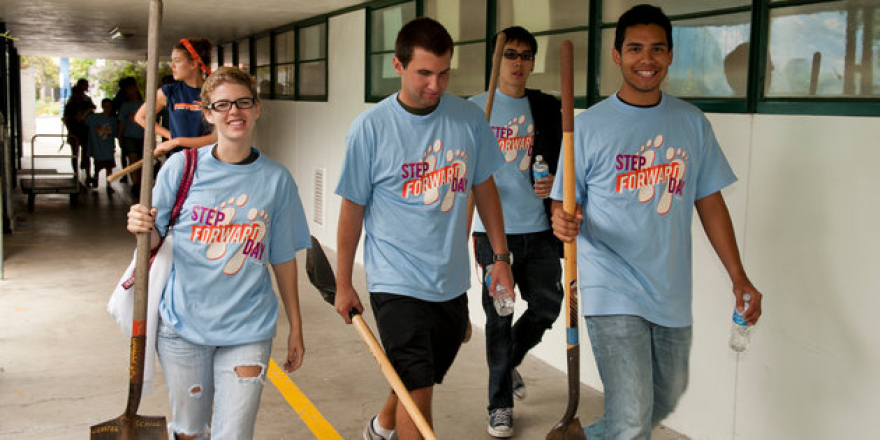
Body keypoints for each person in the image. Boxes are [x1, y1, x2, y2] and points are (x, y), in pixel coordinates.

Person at [550, 5, 764, 439]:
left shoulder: (690, 123)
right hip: (610, 285)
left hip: (668, 288)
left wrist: (738, 276)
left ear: (670, 56)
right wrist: (563, 222)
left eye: (656, 49)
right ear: (616, 55)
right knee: (633, 419)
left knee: (651, 406)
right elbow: (563, 205)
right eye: (634, 49)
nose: (645, 59)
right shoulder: (588, 126)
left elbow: (709, 201)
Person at [334, 17, 514, 440]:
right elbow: (351, 211)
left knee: (419, 378)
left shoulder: (468, 119)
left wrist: (500, 259)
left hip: (449, 281)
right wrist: (343, 282)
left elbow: (485, 188)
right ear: (398, 66)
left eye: (444, 72)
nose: (435, 84)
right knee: (419, 390)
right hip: (395, 281)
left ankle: (380, 428)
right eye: (424, 73)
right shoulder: (371, 128)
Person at [126, 66, 309, 439]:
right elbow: (155, 241)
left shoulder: (277, 180)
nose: (233, 112)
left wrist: (296, 326)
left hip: (248, 327)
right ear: (207, 113)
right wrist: (140, 225)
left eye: (243, 102)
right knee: (190, 431)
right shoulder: (182, 168)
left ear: (257, 108)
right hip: (183, 327)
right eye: (222, 104)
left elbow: (283, 258)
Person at [467, 26, 563, 438]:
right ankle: (499, 405)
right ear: (495, 60)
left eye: (526, 55)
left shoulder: (545, 109)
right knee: (499, 318)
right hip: (492, 233)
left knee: (547, 307)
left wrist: (554, 182)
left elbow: (565, 163)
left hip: (539, 228)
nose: (518, 62)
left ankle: (508, 364)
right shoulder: (473, 110)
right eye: (510, 54)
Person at [136, 38, 215, 157]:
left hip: (209, 160)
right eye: (172, 61)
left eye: (177, 61)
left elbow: (218, 137)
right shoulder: (169, 91)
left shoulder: (215, 92)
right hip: (179, 161)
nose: (172, 65)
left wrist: (177, 141)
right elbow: (141, 117)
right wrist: (170, 136)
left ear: (193, 64)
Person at [62, 78, 96, 186]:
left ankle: (88, 175)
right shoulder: (70, 105)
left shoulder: (86, 102)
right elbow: (66, 119)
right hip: (74, 131)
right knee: (75, 154)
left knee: (86, 154)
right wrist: (69, 131)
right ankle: (76, 174)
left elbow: (93, 109)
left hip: (85, 131)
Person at [117, 81, 145, 195]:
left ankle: (141, 183)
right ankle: (135, 184)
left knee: (142, 162)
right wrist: (120, 136)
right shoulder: (125, 105)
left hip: (142, 136)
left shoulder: (144, 104)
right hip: (129, 136)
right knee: (132, 160)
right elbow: (121, 122)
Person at [85, 98, 118, 193]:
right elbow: (84, 120)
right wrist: (89, 110)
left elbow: (115, 133)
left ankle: (109, 184)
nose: (107, 108)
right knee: (98, 166)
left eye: (109, 106)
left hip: (108, 147)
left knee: (109, 167)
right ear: (102, 106)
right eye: (105, 106)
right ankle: (96, 178)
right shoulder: (94, 118)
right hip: (98, 147)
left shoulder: (113, 120)